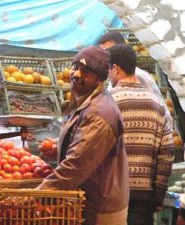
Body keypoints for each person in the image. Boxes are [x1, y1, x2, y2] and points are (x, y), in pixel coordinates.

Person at [37, 46, 129, 225]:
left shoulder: (99, 112)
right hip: (92, 203)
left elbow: (77, 164)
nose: (76, 74)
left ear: (99, 79)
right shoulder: (87, 100)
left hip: (100, 209)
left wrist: (36, 195)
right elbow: (85, 143)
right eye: (75, 67)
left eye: (86, 71)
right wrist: (60, 146)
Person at [108, 44, 174, 225]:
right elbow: (167, 152)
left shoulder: (107, 102)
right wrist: (159, 192)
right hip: (145, 196)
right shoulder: (157, 104)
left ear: (115, 68)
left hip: (112, 194)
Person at [98, 30, 173, 129]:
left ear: (122, 49)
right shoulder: (114, 79)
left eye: (109, 51)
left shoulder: (137, 75)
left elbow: (163, 114)